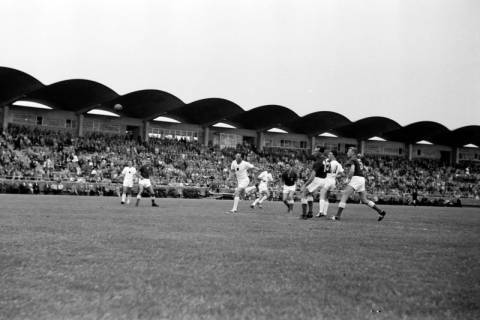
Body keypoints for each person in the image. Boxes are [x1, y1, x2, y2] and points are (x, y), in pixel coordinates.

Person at [331, 147, 386, 221]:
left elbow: (352, 170)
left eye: (348, 151)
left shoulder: (353, 159)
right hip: (361, 179)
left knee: (344, 195)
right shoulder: (358, 159)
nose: (347, 152)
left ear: (353, 152)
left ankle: (337, 216)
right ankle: (380, 211)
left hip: (356, 178)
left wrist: (348, 179)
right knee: (364, 200)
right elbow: (366, 164)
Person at [300, 147, 328, 219]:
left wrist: (305, 185)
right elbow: (310, 157)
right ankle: (310, 213)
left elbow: (312, 177)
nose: (314, 152)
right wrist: (305, 152)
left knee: (304, 192)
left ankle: (304, 215)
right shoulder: (325, 159)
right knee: (309, 194)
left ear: (320, 153)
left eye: (316, 151)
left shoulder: (317, 162)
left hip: (318, 180)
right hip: (324, 180)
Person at [317, 150, 343, 217]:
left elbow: (325, 171)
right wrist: (335, 176)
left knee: (322, 195)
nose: (328, 155)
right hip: (333, 181)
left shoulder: (328, 162)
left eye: (330, 154)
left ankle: (320, 212)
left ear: (333, 155)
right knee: (326, 197)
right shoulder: (338, 164)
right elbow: (342, 174)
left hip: (327, 179)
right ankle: (325, 213)